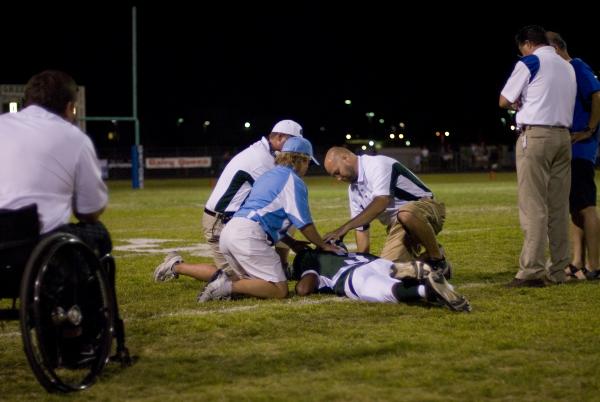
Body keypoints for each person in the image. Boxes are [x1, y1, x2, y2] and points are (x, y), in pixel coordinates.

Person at [158, 137, 341, 301]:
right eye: (308, 162)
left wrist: (291, 243)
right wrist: (323, 245)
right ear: (299, 159)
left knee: (252, 283)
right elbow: (304, 222)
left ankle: (213, 280)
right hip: (248, 236)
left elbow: (263, 214)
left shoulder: (267, 176)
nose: (308, 167)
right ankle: (226, 286)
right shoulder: (293, 181)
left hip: (230, 231)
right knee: (279, 289)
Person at [172, 120, 304, 280]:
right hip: (220, 223)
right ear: (279, 137)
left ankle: (282, 265)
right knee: (235, 282)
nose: (297, 149)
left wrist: (290, 241)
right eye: (294, 142)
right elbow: (276, 202)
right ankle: (176, 265)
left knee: (283, 219)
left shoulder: (265, 153)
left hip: (234, 221)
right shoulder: (262, 159)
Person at [0, 70, 111, 256]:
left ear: (26, 101)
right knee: (99, 233)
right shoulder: (75, 139)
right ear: (69, 107)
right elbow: (90, 212)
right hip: (39, 246)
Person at [499, 25, 577, 287]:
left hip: (536, 136)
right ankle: (558, 270)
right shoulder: (567, 65)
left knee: (533, 206)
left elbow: (504, 99)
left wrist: (517, 101)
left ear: (527, 44)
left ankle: (531, 270)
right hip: (563, 138)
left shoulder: (530, 61)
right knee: (558, 207)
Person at [322, 147, 451, 277]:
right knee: (388, 271)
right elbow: (361, 230)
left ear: (346, 158)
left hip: (426, 210)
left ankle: (438, 260)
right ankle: (427, 260)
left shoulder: (376, 165)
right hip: (399, 226)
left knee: (406, 213)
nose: (338, 179)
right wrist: (362, 264)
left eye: (337, 172)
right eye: (334, 176)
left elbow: (381, 202)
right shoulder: (353, 190)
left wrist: (344, 228)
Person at [547, 31, 600, 281]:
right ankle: (578, 262)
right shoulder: (566, 72)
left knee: (587, 207)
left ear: (556, 48)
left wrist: (589, 129)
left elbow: (597, 95)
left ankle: (595, 265)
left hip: (581, 149)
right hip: (569, 149)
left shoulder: (577, 66)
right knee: (576, 208)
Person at [292, 246, 471, 312]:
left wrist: (305, 272)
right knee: (393, 276)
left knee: (387, 292)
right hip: (379, 263)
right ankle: (424, 267)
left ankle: (425, 290)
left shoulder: (312, 259)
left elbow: (303, 289)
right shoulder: (348, 253)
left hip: (353, 276)